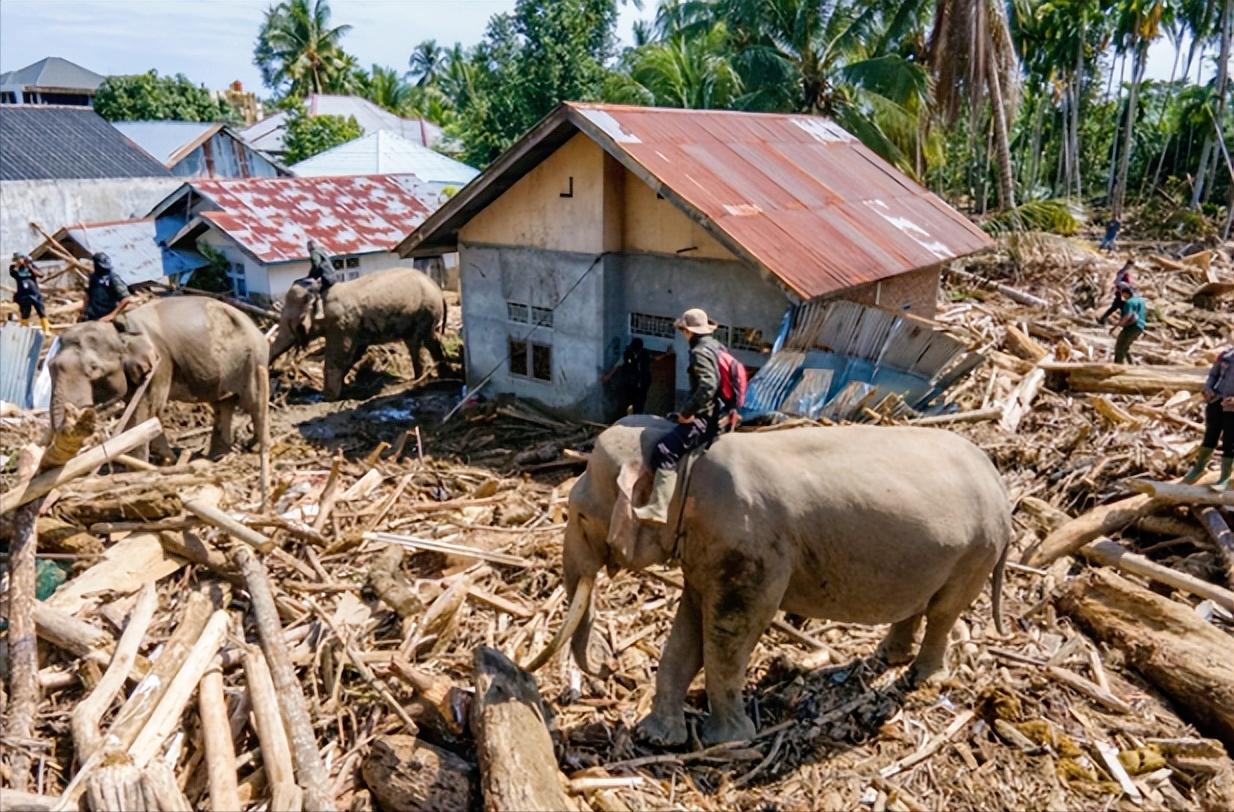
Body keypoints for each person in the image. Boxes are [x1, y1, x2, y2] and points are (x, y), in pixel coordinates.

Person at [634, 308, 734, 524]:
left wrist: (688, 413)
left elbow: (708, 386)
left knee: (665, 450)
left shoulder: (699, 352)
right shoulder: (717, 347)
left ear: (688, 331)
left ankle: (658, 508)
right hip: (722, 413)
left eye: (683, 330)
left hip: (706, 418)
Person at [1182, 343, 1234, 490]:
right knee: (1210, 435)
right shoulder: (1226, 355)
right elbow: (1213, 374)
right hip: (1216, 400)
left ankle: (1224, 477)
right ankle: (1199, 468)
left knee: (1230, 441)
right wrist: (1208, 388)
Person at [602, 337, 652, 416]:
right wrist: (608, 377)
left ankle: (636, 420)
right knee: (624, 404)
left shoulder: (645, 354)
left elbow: (655, 358)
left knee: (639, 406)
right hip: (629, 384)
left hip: (642, 386)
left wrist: (666, 354)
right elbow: (617, 365)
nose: (636, 353)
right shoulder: (627, 354)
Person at [81, 252, 132, 323]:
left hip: (107, 314)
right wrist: (84, 311)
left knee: (123, 328)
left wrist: (112, 315)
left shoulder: (113, 278)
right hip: (92, 316)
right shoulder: (93, 277)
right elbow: (87, 295)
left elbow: (126, 299)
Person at [9, 253, 50, 333]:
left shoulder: (30, 266)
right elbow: (13, 273)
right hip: (23, 295)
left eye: (19, 259)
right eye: (17, 260)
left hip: (35, 294)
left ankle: (46, 330)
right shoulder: (14, 268)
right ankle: (24, 330)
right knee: (25, 313)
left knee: (41, 312)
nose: (18, 261)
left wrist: (29, 267)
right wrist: (18, 265)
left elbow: (41, 275)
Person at [1109, 283, 1145, 364]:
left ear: (1125, 293)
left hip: (1131, 327)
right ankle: (1131, 365)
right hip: (1140, 327)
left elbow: (1128, 315)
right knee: (1125, 347)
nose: (1123, 297)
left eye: (1123, 294)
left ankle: (1118, 366)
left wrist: (1117, 326)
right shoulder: (1140, 301)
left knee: (1119, 347)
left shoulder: (1129, 302)